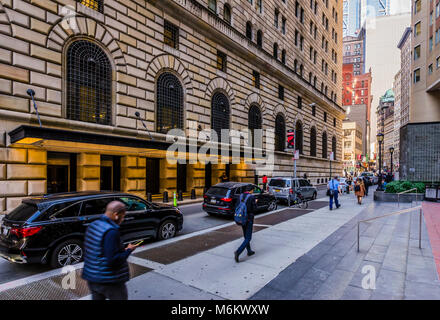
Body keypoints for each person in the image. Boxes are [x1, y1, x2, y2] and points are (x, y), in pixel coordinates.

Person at [82, 201, 139, 300]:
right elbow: (113, 260)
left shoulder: (94, 224)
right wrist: (128, 250)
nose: (123, 219)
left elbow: (96, 250)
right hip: (109, 280)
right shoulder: (111, 231)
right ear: (116, 215)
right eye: (123, 216)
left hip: (92, 277)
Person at [234, 187, 257, 262]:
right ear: (251, 190)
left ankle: (249, 251)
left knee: (245, 236)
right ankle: (238, 251)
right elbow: (254, 209)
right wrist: (255, 202)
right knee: (248, 238)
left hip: (241, 218)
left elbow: (236, 206)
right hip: (249, 218)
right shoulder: (251, 197)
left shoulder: (240, 196)